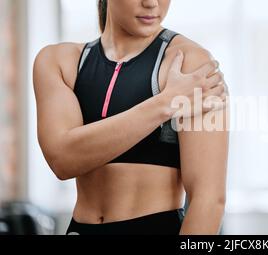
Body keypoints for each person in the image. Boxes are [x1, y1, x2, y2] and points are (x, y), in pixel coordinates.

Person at [33, 0, 229, 235]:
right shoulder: (59, 62)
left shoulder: (193, 66)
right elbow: (62, 160)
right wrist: (165, 103)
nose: (151, 3)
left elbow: (208, 200)